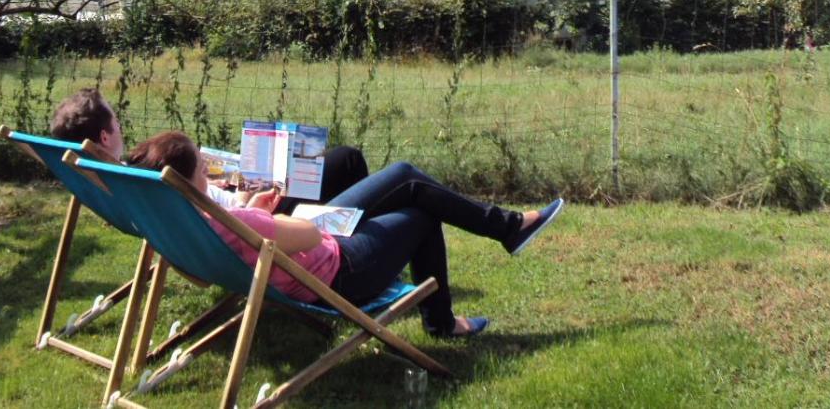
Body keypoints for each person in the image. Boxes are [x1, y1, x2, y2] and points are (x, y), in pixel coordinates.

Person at [129, 130, 563, 338]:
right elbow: (309, 235)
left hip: (299, 266)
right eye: (202, 165)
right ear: (189, 179)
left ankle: (506, 230)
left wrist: (249, 211)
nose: (208, 169)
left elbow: (204, 274)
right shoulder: (237, 223)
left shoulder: (176, 222)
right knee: (419, 209)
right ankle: (444, 319)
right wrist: (258, 214)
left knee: (404, 178)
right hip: (337, 272)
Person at [49, 88, 370, 210]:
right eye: (115, 120)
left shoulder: (118, 180)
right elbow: (232, 217)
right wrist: (243, 197)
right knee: (347, 159)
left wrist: (205, 179)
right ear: (105, 137)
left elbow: (192, 201)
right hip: (253, 214)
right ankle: (347, 250)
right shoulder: (136, 180)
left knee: (309, 159)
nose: (119, 124)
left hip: (226, 201)